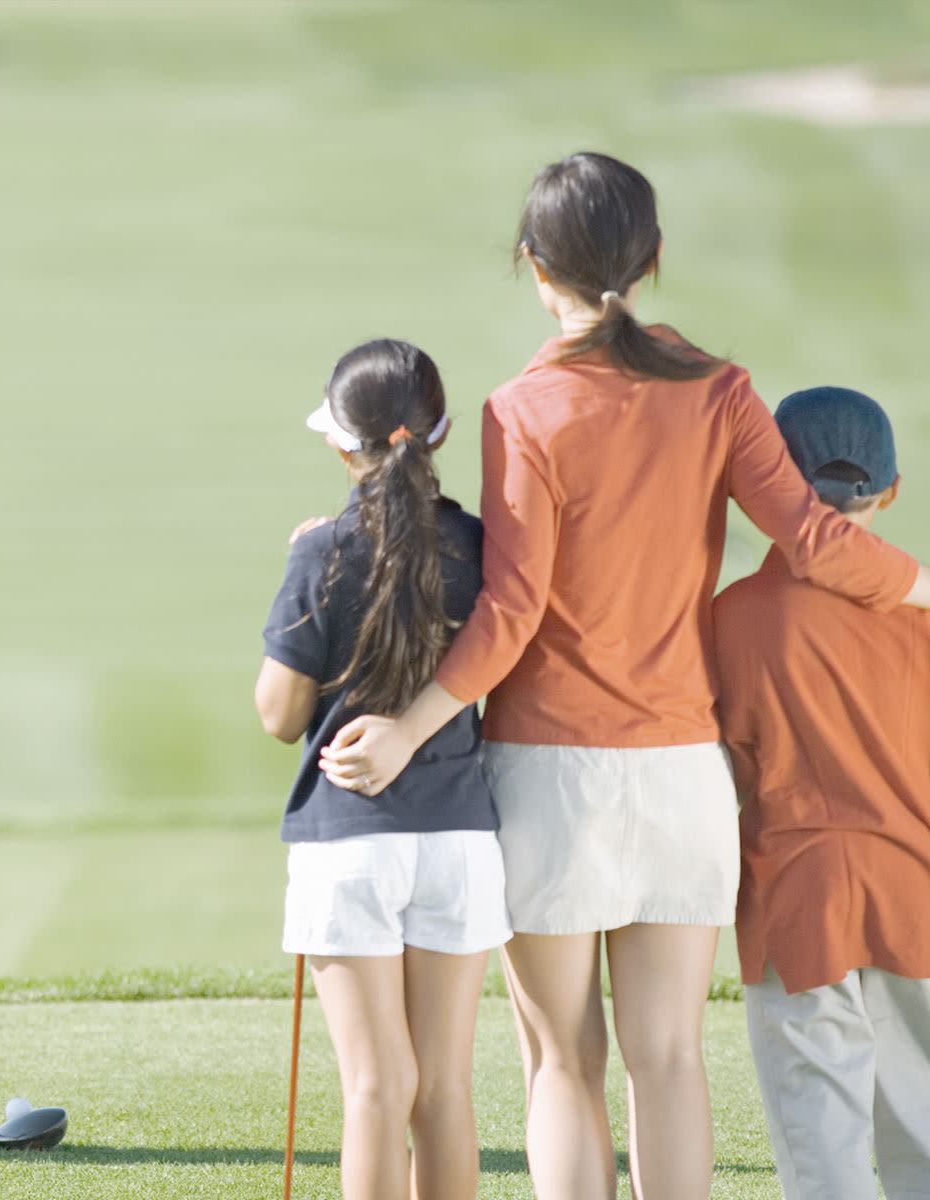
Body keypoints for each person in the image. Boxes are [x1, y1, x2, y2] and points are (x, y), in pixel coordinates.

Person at [320, 153, 930, 1200]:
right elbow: (818, 544)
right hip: (681, 779)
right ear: (653, 260)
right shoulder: (724, 393)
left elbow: (510, 612)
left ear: (531, 263)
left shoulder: (522, 408)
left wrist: (408, 728)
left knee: (564, 1063)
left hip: (550, 775)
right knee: (671, 1061)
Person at [255, 339, 511, 1200]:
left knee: (373, 1089)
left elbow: (279, 713)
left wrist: (302, 569)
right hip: (460, 843)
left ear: (339, 442)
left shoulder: (319, 553)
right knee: (442, 1090)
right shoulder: (479, 545)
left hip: (348, 843)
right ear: (436, 433)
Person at [714, 386, 930, 1199]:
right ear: (893, 491)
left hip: (798, 893)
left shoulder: (732, 617)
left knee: (822, 1136)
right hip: (917, 891)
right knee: (923, 1125)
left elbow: (728, 767)